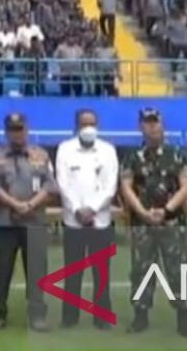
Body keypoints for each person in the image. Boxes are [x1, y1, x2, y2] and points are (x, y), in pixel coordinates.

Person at [119, 107, 187, 336]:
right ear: (140, 126)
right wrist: (142, 212)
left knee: (178, 270)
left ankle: (184, 319)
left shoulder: (179, 153)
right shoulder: (132, 157)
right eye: (147, 122)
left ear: (163, 124)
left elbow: (186, 185)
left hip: (172, 223)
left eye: (155, 122)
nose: (152, 127)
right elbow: (126, 187)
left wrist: (166, 210)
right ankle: (140, 317)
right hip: (143, 225)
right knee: (142, 270)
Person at [0, 112, 55, 332]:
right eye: (13, 130)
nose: (17, 134)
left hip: (34, 220)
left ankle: (37, 315)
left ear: (27, 130)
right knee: (1, 270)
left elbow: (50, 185)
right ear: (6, 132)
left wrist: (31, 205)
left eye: (20, 129)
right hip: (5, 222)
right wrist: (15, 205)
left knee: (36, 270)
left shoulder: (41, 155)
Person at [54, 108, 117, 330]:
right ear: (76, 126)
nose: (88, 128)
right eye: (84, 124)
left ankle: (102, 316)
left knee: (101, 273)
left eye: (92, 123)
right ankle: (69, 318)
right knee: (73, 271)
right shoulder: (65, 149)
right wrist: (78, 209)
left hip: (101, 220)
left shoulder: (108, 151)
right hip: (74, 220)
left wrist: (94, 209)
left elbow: (111, 186)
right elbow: (63, 183)